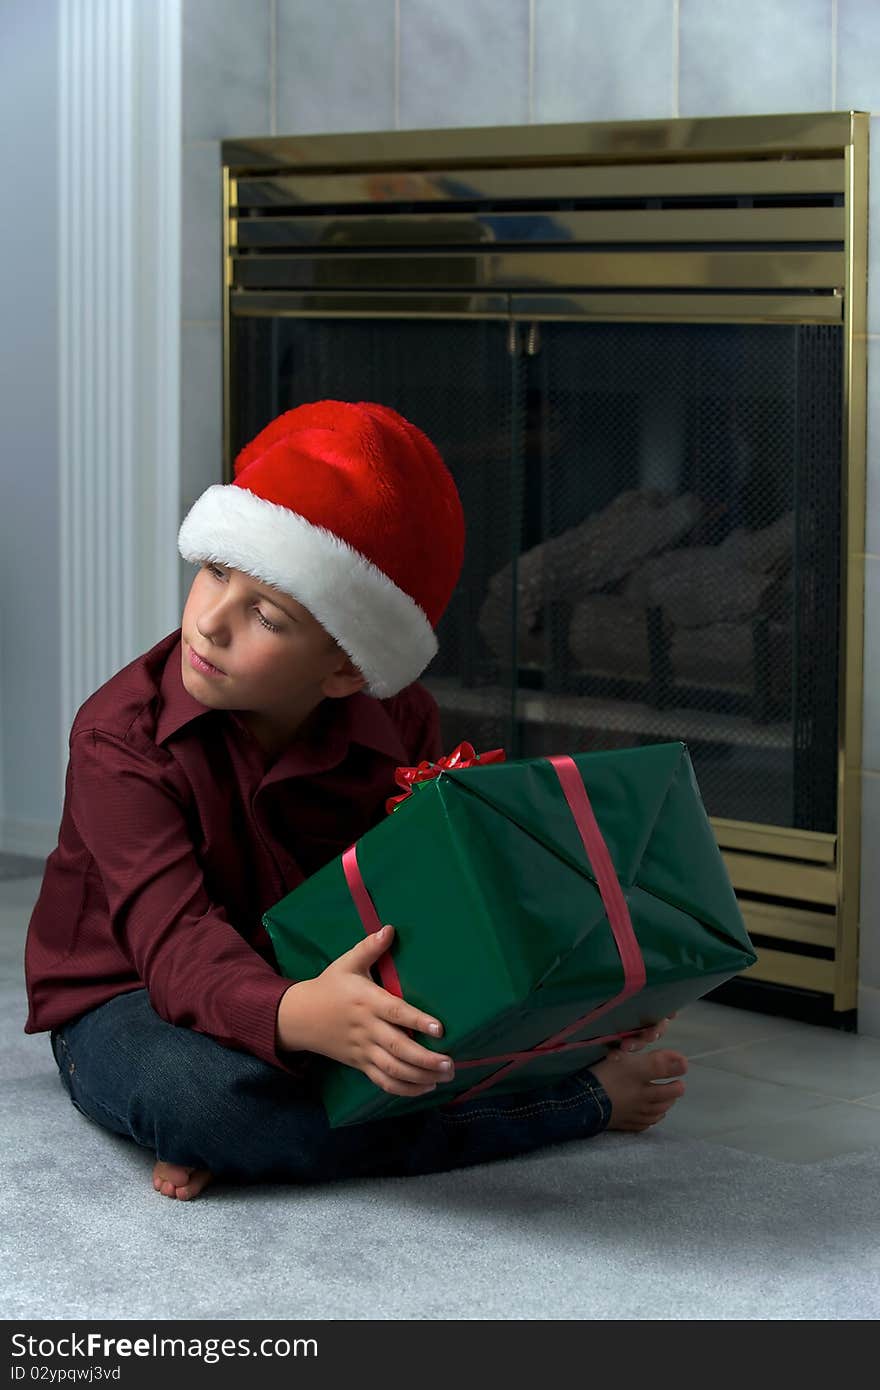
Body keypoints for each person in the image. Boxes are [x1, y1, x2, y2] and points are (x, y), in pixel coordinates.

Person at [23, 400, 687, 1202]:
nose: (211, 622)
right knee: (199, 1100)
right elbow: (174, 943)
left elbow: (426, 896)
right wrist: (299, 1020)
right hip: (129, 990)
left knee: (453, 1019)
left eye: (265, 615)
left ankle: (272, 1135)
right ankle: (568, 1103)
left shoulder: (398, 721)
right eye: (213, 572)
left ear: (345, 669)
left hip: (316, 969)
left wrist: (569, 1003)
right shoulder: (119, 738)